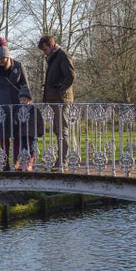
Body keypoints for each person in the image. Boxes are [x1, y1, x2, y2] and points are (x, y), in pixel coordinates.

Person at [0, 36, 29, 171]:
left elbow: (25, 85)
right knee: (4, 135)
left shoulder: (18, 66)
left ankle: (16, 162)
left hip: (18, 105)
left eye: (3, 59)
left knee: (17, 135)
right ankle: (5, 163)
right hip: (2, 107)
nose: (1, 62)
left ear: (7, 57)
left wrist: (26, 102)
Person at [38, 35, 75, 170]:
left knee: (62, 130)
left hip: (61, 100)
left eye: (45, 49)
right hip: (54, 99)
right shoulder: (54, 57)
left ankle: (63, 162)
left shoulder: (62, 55)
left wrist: (60, 90)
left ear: (51, 45)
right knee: (57, 129)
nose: (44, 52)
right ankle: (60, 160)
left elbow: (71, 75)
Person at [14, 86, 44, 171]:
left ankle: (30, 164)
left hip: (31, 133)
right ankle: (23, 164)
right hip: (22, 133)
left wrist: (40, 132)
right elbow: (15, 118)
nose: (22, 102)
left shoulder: (34, 109)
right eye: (21, 100)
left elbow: (39, 121)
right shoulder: (18, 109)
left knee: (31, 149)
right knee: (23, 149)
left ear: (29, 100)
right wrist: (15, 122)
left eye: (24, 100)